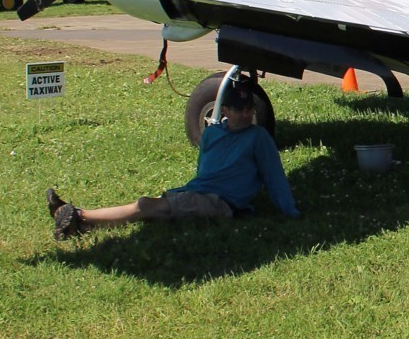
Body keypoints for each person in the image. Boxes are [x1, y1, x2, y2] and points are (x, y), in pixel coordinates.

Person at [47, 82, 299, 240]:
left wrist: (290, 212)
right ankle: (79, 225)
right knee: (152, 207)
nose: (245, 115)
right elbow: (204, 170)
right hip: (196, 191)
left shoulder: (257, 137)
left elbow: (274, 176)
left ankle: (77, 215)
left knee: (147, 205)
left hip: (221, 203)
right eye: (238, 110)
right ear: (224, 111)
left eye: (248, 110)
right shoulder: (212, 133)